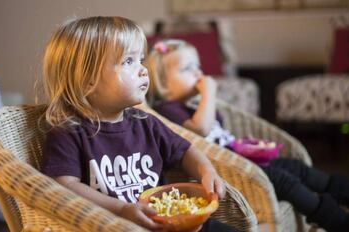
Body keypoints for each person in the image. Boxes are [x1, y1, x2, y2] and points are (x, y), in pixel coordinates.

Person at [146, 39, 349, 232]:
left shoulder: (191, 103)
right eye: (188, 69)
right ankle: (340, 222)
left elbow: (219, 134)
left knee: (295, 167)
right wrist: (209, 94)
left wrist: (244, 143)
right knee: (284, 181)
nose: (199, 75)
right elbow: (201, 130)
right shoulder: (167, 110)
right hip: (231, 172)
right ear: (164, 85)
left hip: (241, 159)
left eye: (198, 66)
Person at [39, 16, 239, 232]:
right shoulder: (68, 131)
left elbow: (185, 151)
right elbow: (64, 186)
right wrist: (121, 209)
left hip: (170, 219)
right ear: (87, 79)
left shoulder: (146, 123)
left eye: (141, 60)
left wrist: (206, 171)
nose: (143, 70)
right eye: (128, 61)